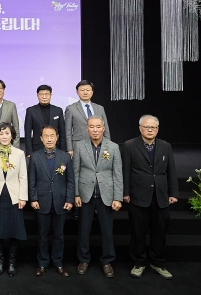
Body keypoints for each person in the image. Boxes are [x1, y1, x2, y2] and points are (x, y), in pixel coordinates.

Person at [122, 115, 178, 280]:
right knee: (138, 232)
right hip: (137, 196)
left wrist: (173, 193)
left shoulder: (165, 146)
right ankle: (139, 263)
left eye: (153, 127)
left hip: (160, 196)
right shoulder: (129, 145)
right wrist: (125, 192)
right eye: (147, 127)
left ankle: (157, 263)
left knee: (160, 232)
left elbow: (171, 170)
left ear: (157, 129)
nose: (150, 130)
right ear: (140, 128)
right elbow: (125, 171)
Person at [73, 116, 122, 278]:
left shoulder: (113, 147)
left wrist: (117, 197)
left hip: (106, 195)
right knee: (83, 230)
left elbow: (117, 174)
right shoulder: (80, 146)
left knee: (107, 231)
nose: (95, 130)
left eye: (98, 127)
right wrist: (76, 194)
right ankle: (83, 259)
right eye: (92, 127)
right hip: (85, 195)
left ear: (103, 128)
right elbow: (75, 171)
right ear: (87, 128)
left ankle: (107, 261)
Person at [28, 126, 75, 277]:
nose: (49, 139)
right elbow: (32, 181)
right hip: (42, 201)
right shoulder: (34, 157)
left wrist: (70, 199)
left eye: (52, 136)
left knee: (59, 235)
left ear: (57, 137)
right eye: (46, 136)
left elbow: (70, 180)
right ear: (41, 138)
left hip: (61, 201)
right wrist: (33, 198)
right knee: (42, 235)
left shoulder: (65, 157)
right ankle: (42, 264)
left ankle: (58, 263)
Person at [0, 122, 27, 277]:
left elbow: (23, 177)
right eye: (1, 134)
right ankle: (0, 262)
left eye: (7, 133)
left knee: (14, 231)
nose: (4, 136)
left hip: (14, 196)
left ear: (12, 135)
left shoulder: (19, 154)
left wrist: (23, 197)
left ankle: (12, 263)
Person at [65, 80, 110, 158]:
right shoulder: (71, 109)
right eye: (82, 90)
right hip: (78, 144)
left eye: (88, 90)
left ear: (92, 92)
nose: (85, 92)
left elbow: (105, 128)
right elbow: (67, 131)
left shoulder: (100, 108)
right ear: (77, 92)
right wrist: (70, 149)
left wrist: (108, 145)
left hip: (98, 144)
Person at [24, 85, 66, 159]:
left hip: (56, 148)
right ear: (37, 95)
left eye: (47, 94)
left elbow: (62, 133)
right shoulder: (31, 111)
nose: (44, 97)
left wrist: (63, 151)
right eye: (41, 94)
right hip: (37, 148)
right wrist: (29, 151)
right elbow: (27, 133)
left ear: (50, 95)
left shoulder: (58, 110)